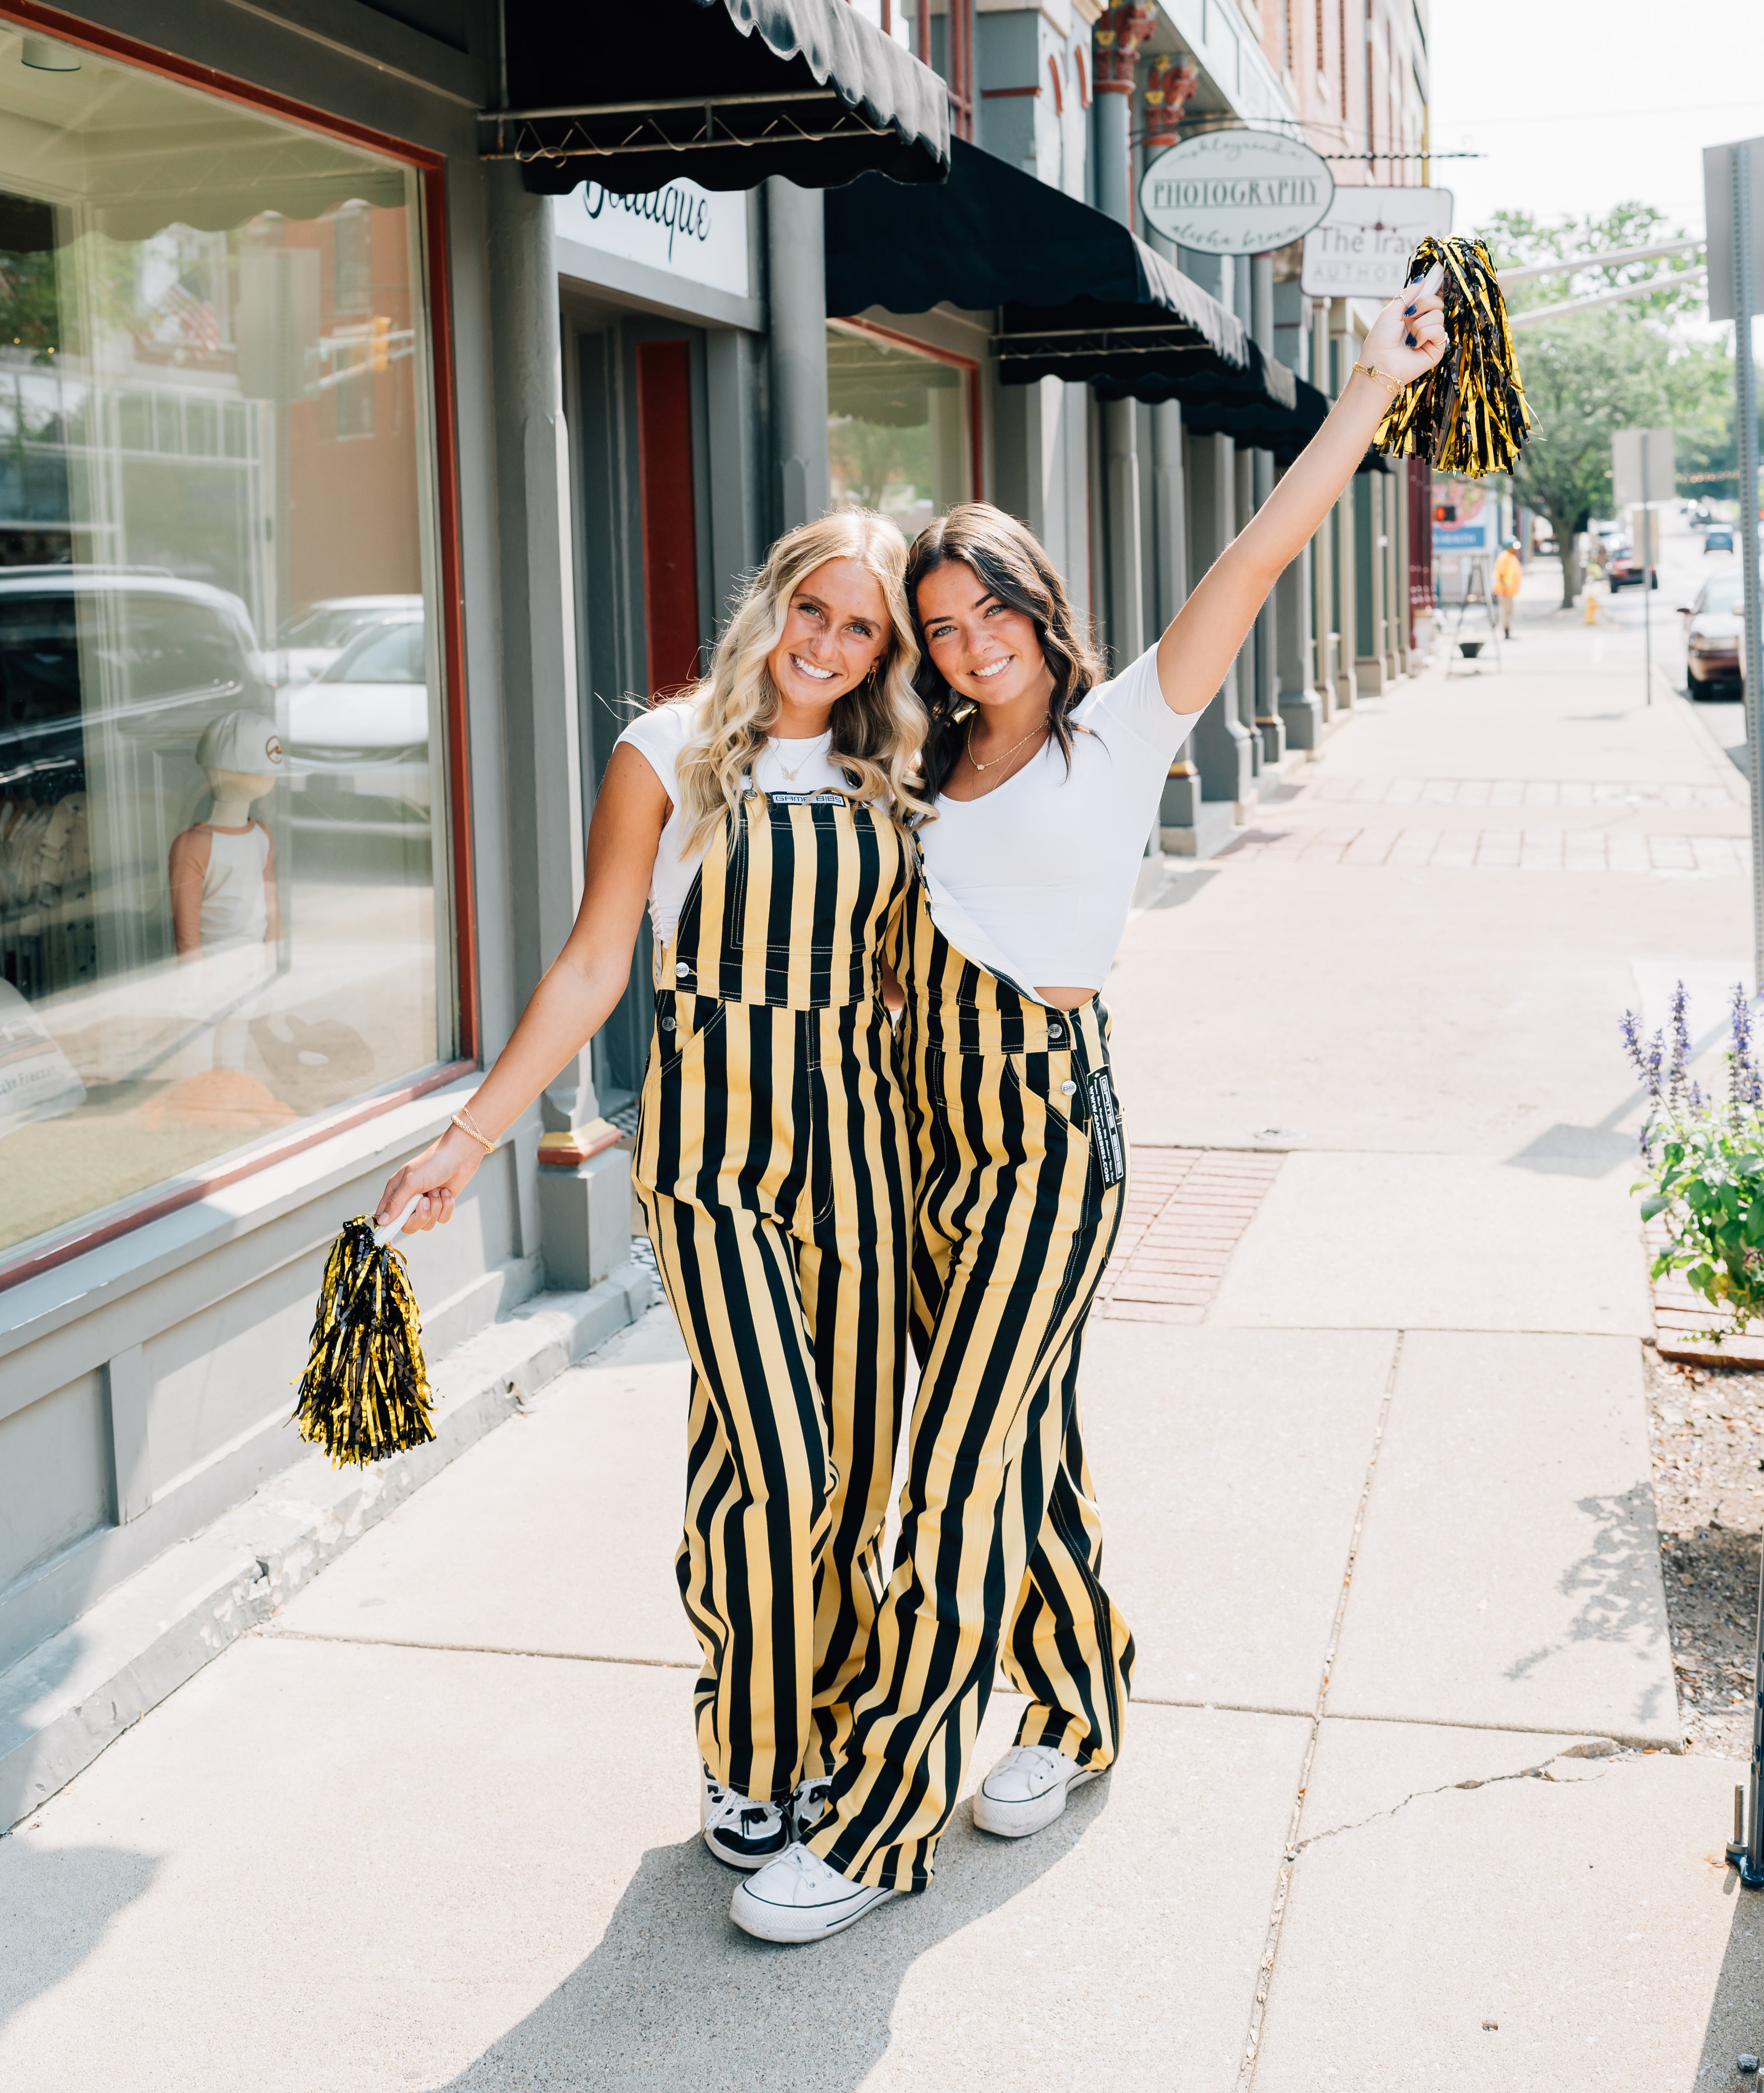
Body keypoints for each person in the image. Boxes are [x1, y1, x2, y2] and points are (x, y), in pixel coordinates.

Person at [729, 274, 1449, 1944]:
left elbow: (1257, 556)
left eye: (992, 616)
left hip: (1048, 1140)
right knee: (1023, 1448)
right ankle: (1077, 1697)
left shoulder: (1121, 728)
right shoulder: (927, 767)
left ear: (1040, 609)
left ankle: (886, 1813)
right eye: (943, 629)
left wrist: (1363, 392)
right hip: (926, 1140)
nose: (971, 647)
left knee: (956, 1469)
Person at [372, 511, 929, 1873]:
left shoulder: (897, 766)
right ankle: (746, 1755)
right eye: (815, 610)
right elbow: (591, 965)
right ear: (775, 600)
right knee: (777, 1458)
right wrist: (470, 1136)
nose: (828, 645)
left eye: (861, 629)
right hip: (715, 1150)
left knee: (855, 1469)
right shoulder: (665, 751)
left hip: (864, 1140)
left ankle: (834, 1731)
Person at [1493, 537, 1523, 637]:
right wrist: (1505, 587)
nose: (1516, 550)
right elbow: (1501, 575)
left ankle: (1508, 631)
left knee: (1509, 612)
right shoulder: (1505, 558)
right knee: (1507, 612)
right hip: (1505, 591)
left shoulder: (1511, 557)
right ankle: (1506, 632)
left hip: (1509, 591)